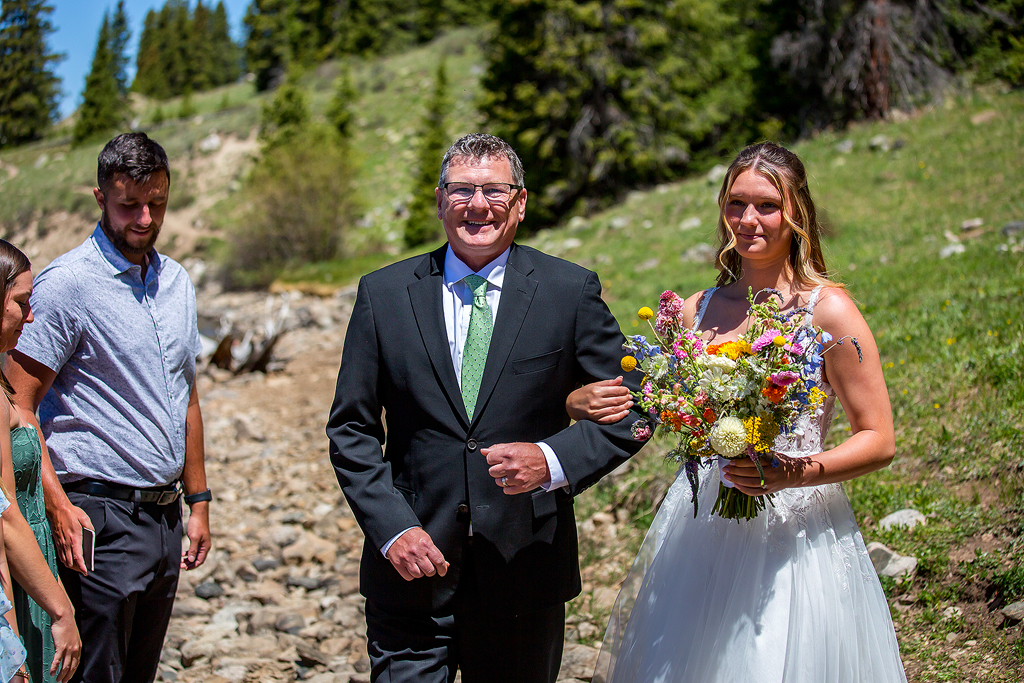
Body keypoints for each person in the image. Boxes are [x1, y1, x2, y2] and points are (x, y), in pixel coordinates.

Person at [570, 142, 908, 682]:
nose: (748, 219)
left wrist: (792, 473)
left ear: (797, 212)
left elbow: (879, 438)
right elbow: (657, 402)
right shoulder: (694, 310)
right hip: (702, 521)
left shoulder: (829, 311)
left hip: (793, 529)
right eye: (736, 203)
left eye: (767, 205)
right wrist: (574, 401)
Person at [327, 133, 647, 683]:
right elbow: (351, 427)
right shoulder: (384, 294)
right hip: (411, 571)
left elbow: (641, 403)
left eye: (494, 191)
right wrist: (393, 529)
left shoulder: (568, 291)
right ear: (439, 200)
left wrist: (551, 460)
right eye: (462, 190)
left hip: (524, 571)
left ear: (520, 203)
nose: (478, 205)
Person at [5, 133, 212, 683]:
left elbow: (186, 395)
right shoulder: (67, 285)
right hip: (97, 517)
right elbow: (17, 405)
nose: (144, 218)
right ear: (100, 198)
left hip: (165, 517)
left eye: (157, 203)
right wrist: (56, 505)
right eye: (129, 205)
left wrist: (199, 502)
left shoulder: (177, 282)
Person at [0, 240, 81, 683]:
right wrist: (58, 610)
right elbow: (4, 519)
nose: (30, 317)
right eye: (21, 303)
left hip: (31, 574)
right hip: (18, 581)